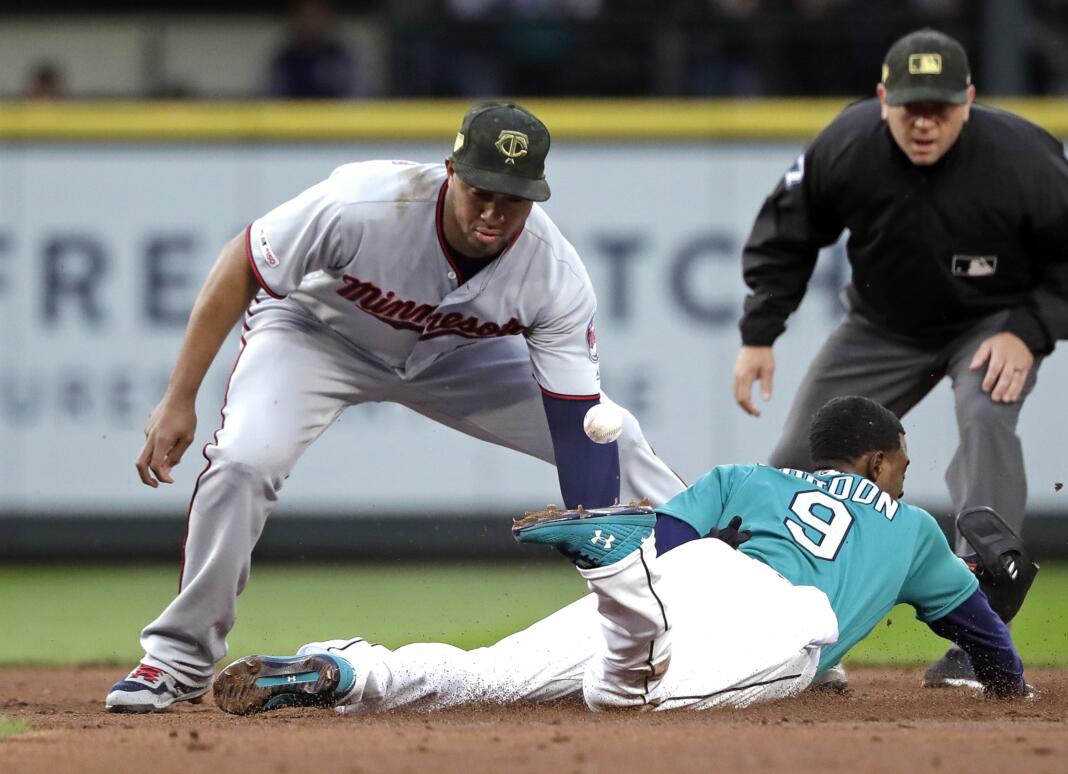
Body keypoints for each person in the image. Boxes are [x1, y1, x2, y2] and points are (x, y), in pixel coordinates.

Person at [105, 102, 686, 713]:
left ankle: (726, 577)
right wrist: (180, 397)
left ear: (537, 196)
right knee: (245, 462)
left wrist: (592, 525)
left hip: (455, 357)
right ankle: (178, 659)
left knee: (618, 439)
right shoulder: (365, 202)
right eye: (481, 191)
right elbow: (240, 263)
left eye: (512, 198)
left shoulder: (554, 272)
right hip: (316, 334)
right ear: (450, 171)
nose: (493, 211)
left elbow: (577, 420)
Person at [211, 396, 1031, 716]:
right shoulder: (914, 526)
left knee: (489, 676)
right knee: (636, 703)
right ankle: (615, 586)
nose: (903, 472)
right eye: (901, 461)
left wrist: (643, 560)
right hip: (787, 620)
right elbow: (984, 634)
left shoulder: (745, 476)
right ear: (878, 462)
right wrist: (1011, 683)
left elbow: (666, 543)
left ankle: (349, 672)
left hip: (690, 572)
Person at [730, 28, 1068, 686]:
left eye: (940, 107)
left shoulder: (1022, 156)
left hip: (990, 323)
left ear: (969, 100)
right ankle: (795, 630)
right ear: (883, 100)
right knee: (797, 458)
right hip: (883, 325)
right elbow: (787, 233)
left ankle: (982, 620)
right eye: (912, 107)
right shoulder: (847, 145)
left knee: (988, 417)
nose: (925, 122)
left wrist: (1027, 328)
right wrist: (761, 332)